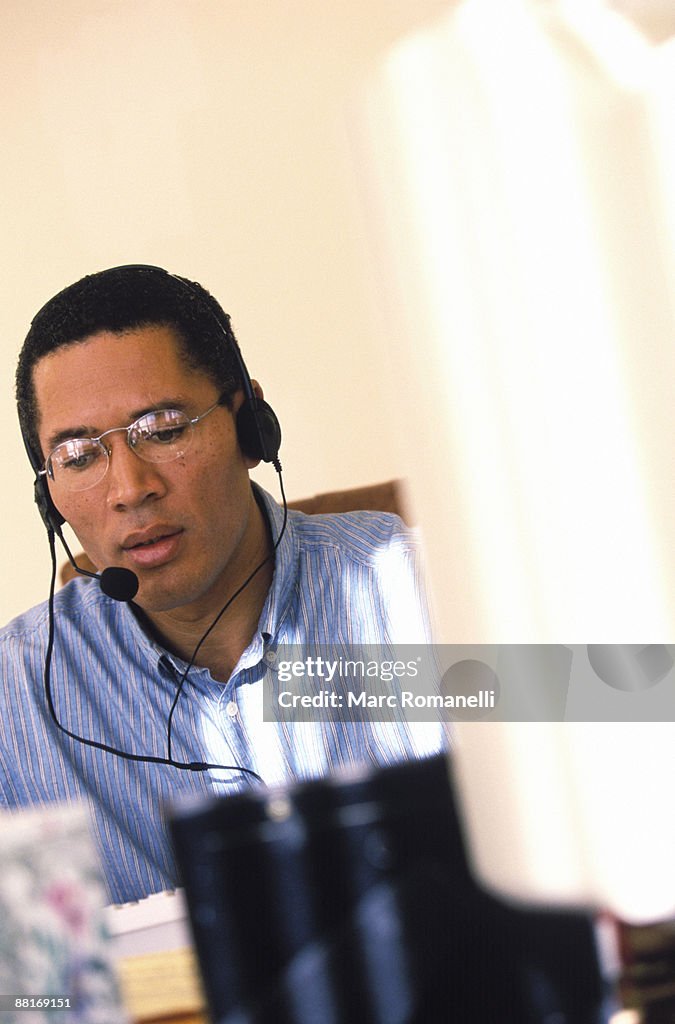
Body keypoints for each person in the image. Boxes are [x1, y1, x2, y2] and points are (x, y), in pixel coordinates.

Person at [1, 265, 443, 904]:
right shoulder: (18, 699)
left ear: (248, 423)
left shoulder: (431, 594)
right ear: (50, 496)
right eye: (79, 456)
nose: (130, 489)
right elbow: (37, 995)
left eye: (163, 430)